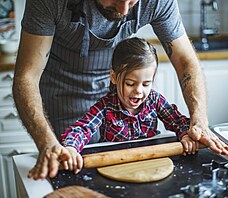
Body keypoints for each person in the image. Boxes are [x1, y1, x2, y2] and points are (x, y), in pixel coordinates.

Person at [12, 0, 228, 180]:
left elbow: (186, 63)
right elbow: (27, 76)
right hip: (62, 92)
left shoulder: (152, 100)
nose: (125, 10)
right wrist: (56, 145)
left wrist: (197, 125)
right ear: (115, 77)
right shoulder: (50, 3)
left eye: (132, 0)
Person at [61, 37, 199, 174]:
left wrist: (185, 135)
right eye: (130, 84)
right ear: (114, 77)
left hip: (151, 162)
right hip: (115, 164)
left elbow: (177, 121)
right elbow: (83, 129)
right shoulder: (105, 106)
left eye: (146, 84)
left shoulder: (155, 100)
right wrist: (71, 147)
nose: (138, 91)